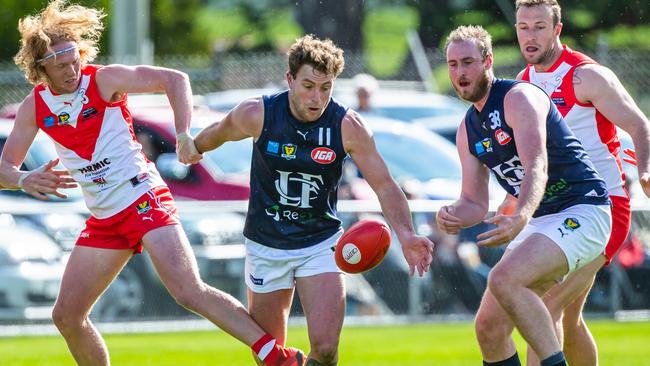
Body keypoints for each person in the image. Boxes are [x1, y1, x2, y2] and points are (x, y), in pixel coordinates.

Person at [0, 1, 305, 365]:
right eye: (60, 65)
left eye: (74, 60)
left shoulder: (103, 79)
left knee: (187, 290)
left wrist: (182, 134)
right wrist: (24, 178)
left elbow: (175, 79)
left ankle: (276, 356)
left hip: (142, 195)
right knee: (66, 316)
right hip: (106, 217)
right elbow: (5, 167)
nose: (71, 70)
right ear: (40, 67)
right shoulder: (36, 105)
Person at [192, 34, 434, 365]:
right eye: (308, 85)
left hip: (320, 244)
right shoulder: (258, 113)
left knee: (325, 348)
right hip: (266, 244)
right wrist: (192, 147)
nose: (316, 97)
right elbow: (218, 131)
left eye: (326, 87)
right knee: (271, 356)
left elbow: (386, 185)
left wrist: (406, 234)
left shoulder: (347, 125)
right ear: (289, 79)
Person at [438, 25, 612, 366]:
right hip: (544, 221)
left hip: (584, 209)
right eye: (453, 64)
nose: (460, 72)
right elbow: (475, 202)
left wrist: (520, 215)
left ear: (488, 62)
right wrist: (452, 215)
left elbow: (536, 166)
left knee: (504, 278)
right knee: (488, 327)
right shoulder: (467, 128)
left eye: (468, 62)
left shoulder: (518, 98)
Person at [513, 1, 650, 365]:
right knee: (569, 321)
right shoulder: (523, 84)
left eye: (539, 26)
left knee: (544, 308)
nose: (530, 35)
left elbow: (639, 124)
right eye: (523, 26)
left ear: (557, 30)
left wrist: (645, 171)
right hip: (561, 211)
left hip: (605, 208)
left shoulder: (586, 76)